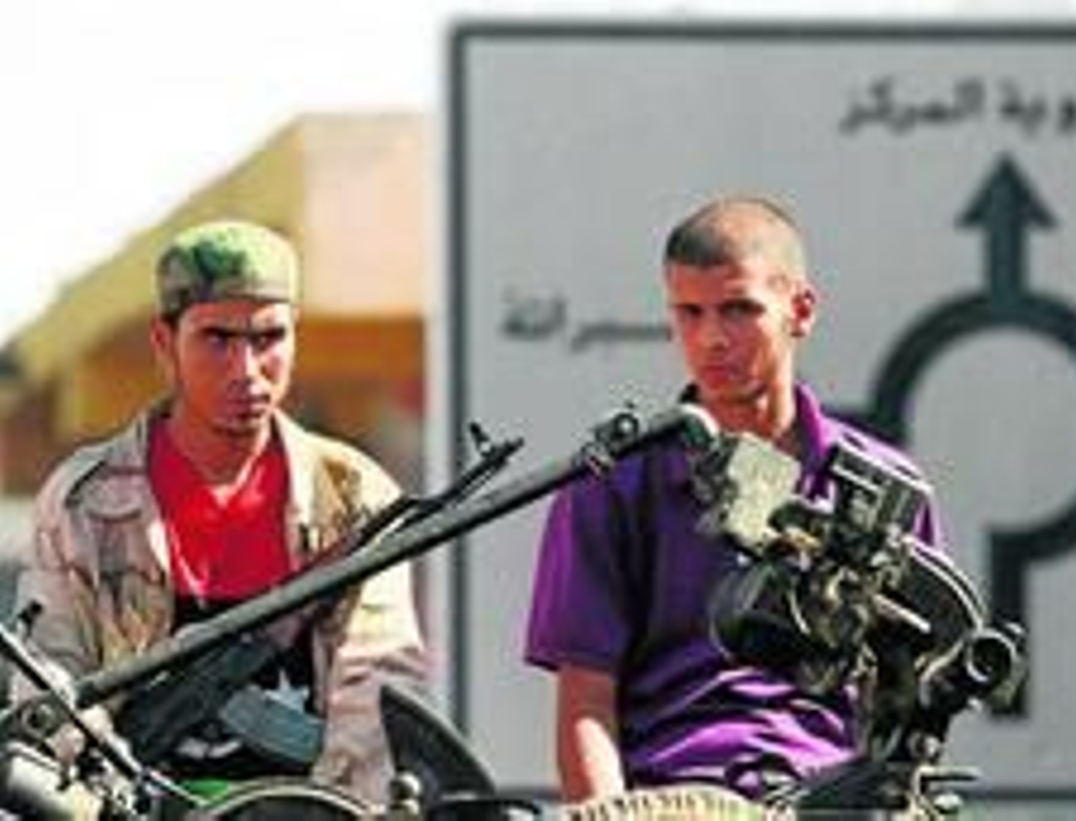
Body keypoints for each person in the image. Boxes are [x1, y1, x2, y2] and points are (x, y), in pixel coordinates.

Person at [523, 196, 945, 803]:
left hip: (836, 797)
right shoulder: (610, 485)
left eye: (739, 310)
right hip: (671, 799)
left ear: (800, 311)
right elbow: (586, 700)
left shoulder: (886, 489)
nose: (712, 338)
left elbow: (914, 709)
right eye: (689, 313)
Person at [14, 219, 428, 805]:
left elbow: (378, 692)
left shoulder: (355, 498)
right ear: (164, 343)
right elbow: (51, 679)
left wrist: (310, 815)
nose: (246, 370)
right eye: (217, 339)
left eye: (268, 338)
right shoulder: (86, 499)